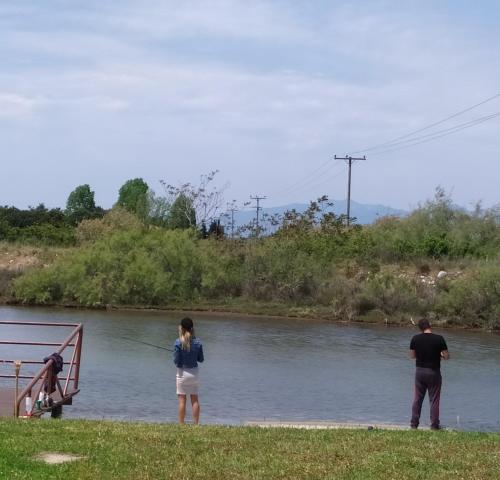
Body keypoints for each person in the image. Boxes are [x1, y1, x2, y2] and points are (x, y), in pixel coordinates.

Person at [409, 318, 449, 430]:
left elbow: (412, 356)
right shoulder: (439, 338)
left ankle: (414, 424)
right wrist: (439, 355)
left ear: (420, 328)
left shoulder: (415, 338)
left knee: (417, 398)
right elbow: (446, 356)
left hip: (420, 371)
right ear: (429, 326)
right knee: (434, 399)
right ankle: (435, 425)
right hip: (434, 372)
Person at [173, 317, 204, 424]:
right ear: (192, 328)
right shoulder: (198, 342)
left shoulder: (178, 342)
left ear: (181, 328)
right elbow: (201, 359)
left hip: (182, 373)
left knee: (182, 400)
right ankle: (196, 423)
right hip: (194, 373)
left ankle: (181, 424)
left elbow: (176, 361)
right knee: (194, 399)